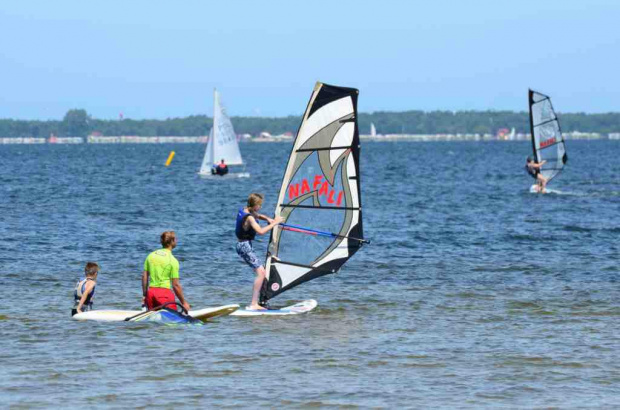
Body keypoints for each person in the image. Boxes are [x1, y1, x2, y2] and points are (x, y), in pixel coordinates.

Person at [235, 193, 283, 310]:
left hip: (243, 245)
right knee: (261, 273)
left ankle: (256, 302)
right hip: (244, 246)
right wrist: (274, 223)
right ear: (255, 205)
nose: (260, 207)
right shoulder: (250, 218)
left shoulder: (245, 210)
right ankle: (253, 304)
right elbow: (260, 231)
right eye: (259, 205)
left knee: (261, 272)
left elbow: (258, 215)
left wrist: (267, 218)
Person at [142, 231, 190, 312]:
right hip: (164, 295)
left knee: (154, 321)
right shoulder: (173, 260)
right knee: (172, 322)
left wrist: (144, 295)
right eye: (175, 239)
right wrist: (184, 303)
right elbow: (176, 285)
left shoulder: (151, 255)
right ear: (172, 241)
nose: (176, 241)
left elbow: (144, 276)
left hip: (150, 293)